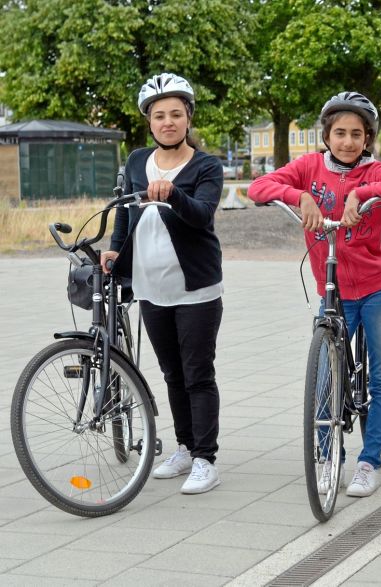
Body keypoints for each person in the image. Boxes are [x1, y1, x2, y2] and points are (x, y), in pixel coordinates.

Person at [248, 91, 381, 498]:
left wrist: (362, 194)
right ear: (326, 135)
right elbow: (259, 187)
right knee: (325, 375)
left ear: (368, 138)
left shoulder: (374, 171)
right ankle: (327, 454)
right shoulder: (309, 167)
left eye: (356, 134)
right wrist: (299, 195)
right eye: (339, 133)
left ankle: (368, 460)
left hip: (378, 287)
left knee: (380, 374)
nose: (347, 142)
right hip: (333, 288)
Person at [101, 73, 224, 494]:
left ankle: (207, 458)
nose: (167, 122)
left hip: (196, 288)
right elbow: (124, 214)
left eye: (176, 114)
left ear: (188, 118)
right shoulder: (136, 161)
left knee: (197, 374)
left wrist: (172, 194)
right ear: (149, 122)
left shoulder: (206, 166)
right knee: (172, 373)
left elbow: (201, 215)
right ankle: (185, 447)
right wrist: (114, 251)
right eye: (159, 116)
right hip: (152, 287)